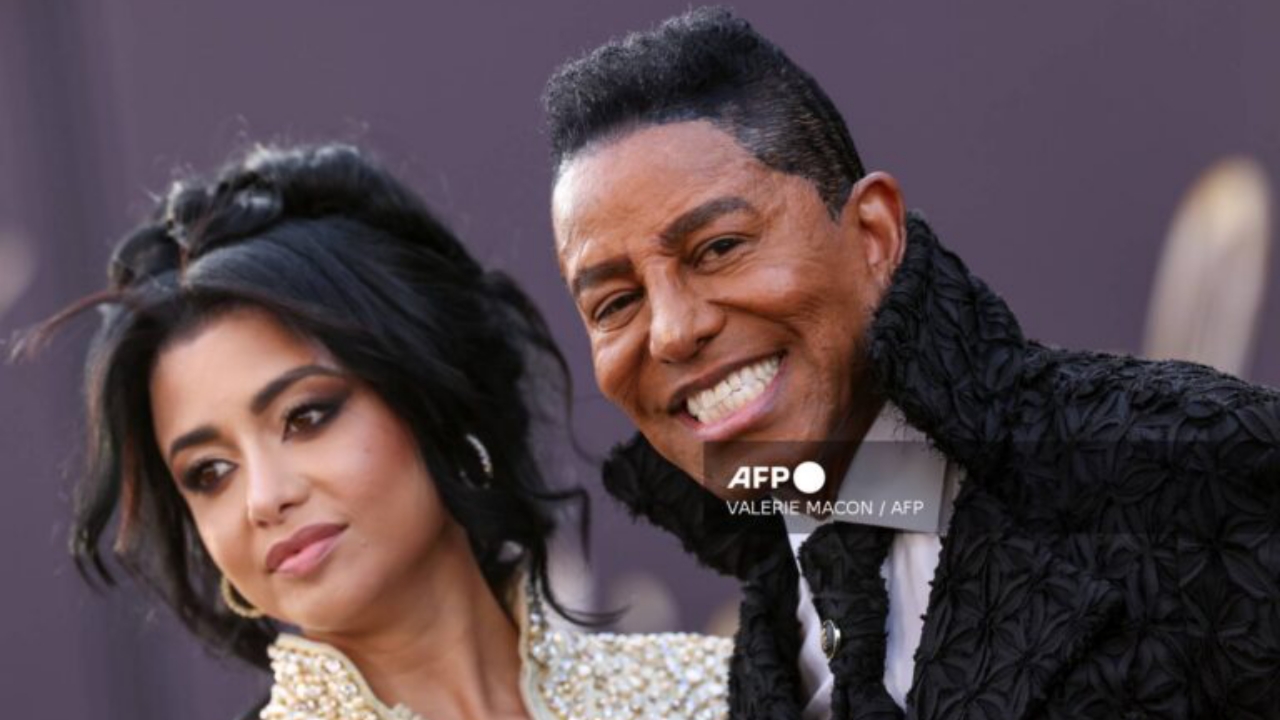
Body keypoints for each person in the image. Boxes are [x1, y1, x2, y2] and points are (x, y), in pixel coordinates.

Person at [543, 8, 1280, 720]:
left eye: (720, 248)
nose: (672, 331)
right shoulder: (761, 645)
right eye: (614, 302)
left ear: (873, 234)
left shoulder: (1196, 463)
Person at [24, 143, 731, 720]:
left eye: (305, 417)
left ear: (432, 393)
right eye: (209, 473)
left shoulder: (713, 694)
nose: (262, 499)